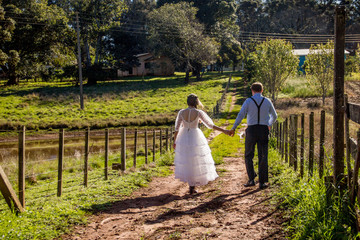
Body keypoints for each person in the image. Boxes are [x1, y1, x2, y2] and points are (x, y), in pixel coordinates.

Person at [173, 93, 229, 194]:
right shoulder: (198, 112)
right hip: (195, 135)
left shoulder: (181, 112)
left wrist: (175, 141)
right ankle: (192, 186)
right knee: (195, 159)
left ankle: (191, 185)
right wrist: (223, 130)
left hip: (183, 136)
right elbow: (210, 125)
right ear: (196, 102)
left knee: (187, 159)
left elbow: (177, 128)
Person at [229, 82, 277, 189]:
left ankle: (251, 179)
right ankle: (262, 182)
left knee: (248, 155)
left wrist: (234, 127)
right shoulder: (267, 101)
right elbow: (275, 116)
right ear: (262, 90)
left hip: (251, 130)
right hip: (263, 130)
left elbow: (241, 115)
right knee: (263, 155)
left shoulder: (248, 101)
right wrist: (268, 124)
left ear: (252, 90)